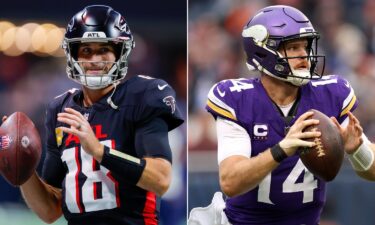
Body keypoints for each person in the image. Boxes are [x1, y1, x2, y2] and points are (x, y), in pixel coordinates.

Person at [191, 5, 375, 225]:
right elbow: (231, 182)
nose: (304, 56)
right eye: (293, 48)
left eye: (306, 46)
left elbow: (372, 171)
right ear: (262, 52)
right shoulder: (237, 99)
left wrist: (357, 151)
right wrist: (281, 149)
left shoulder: (330, 94)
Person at [4, 5, 184, 225]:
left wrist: (99, 150)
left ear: (120, 53)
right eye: (86, 50)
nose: (95, 59)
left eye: (104, 50)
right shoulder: (60, 108)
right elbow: (50, 210)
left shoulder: (142, 96)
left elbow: (161, 179)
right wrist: (23, 168)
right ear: (72, 54)